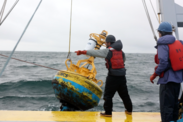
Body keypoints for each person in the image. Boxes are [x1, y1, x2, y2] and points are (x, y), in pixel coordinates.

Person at [75, 35, 133, 117]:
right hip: (122, 76)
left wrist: (82, 52)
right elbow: (123, 60)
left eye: (106, 42)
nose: (105, 44)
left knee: (108, 95)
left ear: (109, 42)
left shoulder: (108, 51)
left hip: (112, 76)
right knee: (124, 94)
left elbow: (95, 52)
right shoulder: (121, 51)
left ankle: (108, 113)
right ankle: (129, 110)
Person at [150, 22, 183, 122]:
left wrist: (154, 75)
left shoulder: (162, 44)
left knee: (166, 108)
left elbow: (163, 63)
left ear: (161, 33)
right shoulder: (179, 43)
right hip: (178, 81)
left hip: (167, 81)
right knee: (174, 106)